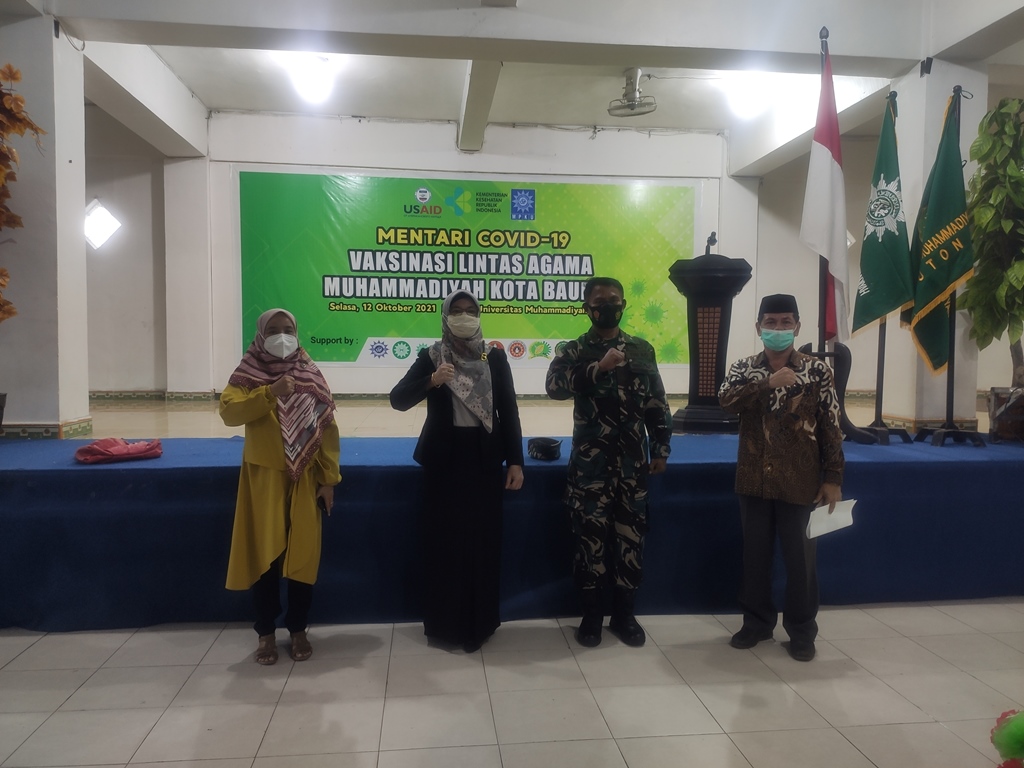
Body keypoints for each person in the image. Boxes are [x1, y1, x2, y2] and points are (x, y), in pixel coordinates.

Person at [389, 290, 524, 652]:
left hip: (484, 460)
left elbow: (508, 410)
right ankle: (445, 626)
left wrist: (515, 461)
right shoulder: (432, 356)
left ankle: (479, 626)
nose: (464, 316)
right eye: (457, 311)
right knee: (445, 544)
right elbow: (398, 399)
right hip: (443, 463)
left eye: (471, 310)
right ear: (445, 317)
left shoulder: (493, 356)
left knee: (482, 543)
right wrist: (432, 380)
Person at [545, 276, 671, 648]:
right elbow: (554, 387)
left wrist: (661, 448)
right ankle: (591, 617)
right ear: (587, 308)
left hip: (632, 467)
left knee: (631, 541)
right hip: (591, 470)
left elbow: (656, 403)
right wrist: (597, 368)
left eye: (614, 300)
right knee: (590, 542)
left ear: (624, 305)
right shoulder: (574, 349)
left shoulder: (642, 350)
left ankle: (624, 616)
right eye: (600, 301)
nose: (608, 306)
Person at [718, 294, 844, 662]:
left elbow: (831, 425)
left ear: (797, 327)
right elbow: (725, 401)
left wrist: (833, 477)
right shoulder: (744, 368)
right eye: (770, 323)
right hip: (754, 478)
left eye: (786, 322)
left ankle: (802, 632)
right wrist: (766, 384)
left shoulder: (817, 371)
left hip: (800, 479)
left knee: (801, 560)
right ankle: (757, 623)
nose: (778, 329)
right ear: (758, 327)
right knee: (755, 557)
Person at [220, 308, 341, 665]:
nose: (282, 336)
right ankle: (266, 633)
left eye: (288, 329)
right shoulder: (247, 375)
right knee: (266, 557)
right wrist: (269, 393)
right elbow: (229, 413)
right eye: (273, 330)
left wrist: (329, 479)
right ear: (260, 335)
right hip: (264, 477)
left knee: (302, 556)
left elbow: (327, 428)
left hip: (305, 477)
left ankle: (298, 628)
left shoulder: (309, 373)